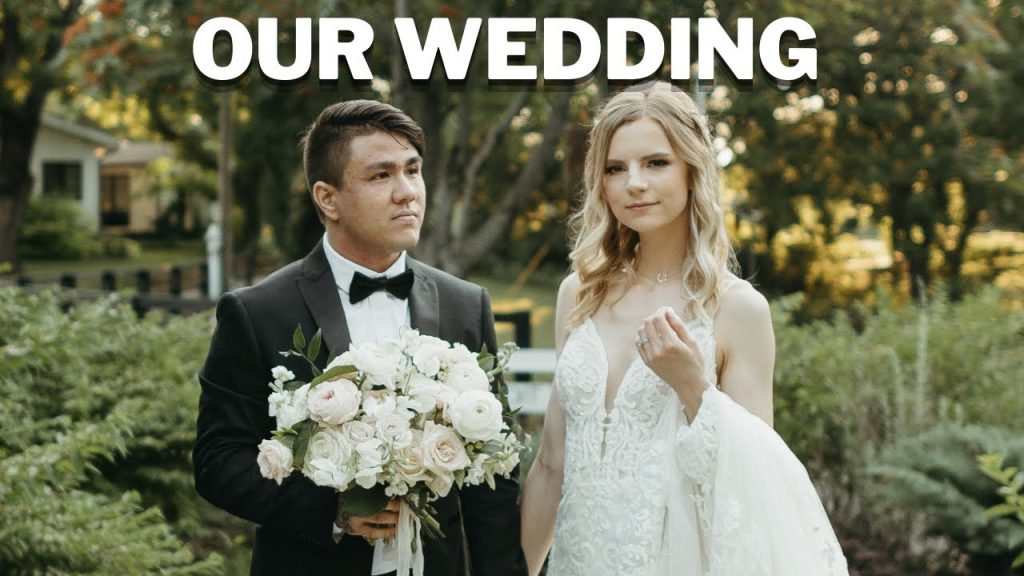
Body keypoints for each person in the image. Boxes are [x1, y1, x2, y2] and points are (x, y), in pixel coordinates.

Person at [520, 82, 849, 576]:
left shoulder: (737, 310)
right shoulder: (579, 293)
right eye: (615, 168)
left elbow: (754, 481)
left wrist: (693, 384)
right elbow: (551, 463)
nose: (634, 182)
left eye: (655, 163)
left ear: (692, 170)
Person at [194, 100, 528, 576]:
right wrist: (330, 511)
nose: (407, 192)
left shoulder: (465, 304)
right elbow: (217, 461)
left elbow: (495, 475)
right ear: (328, 198)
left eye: (413, 171)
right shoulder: (256, 312)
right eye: (381, 176)